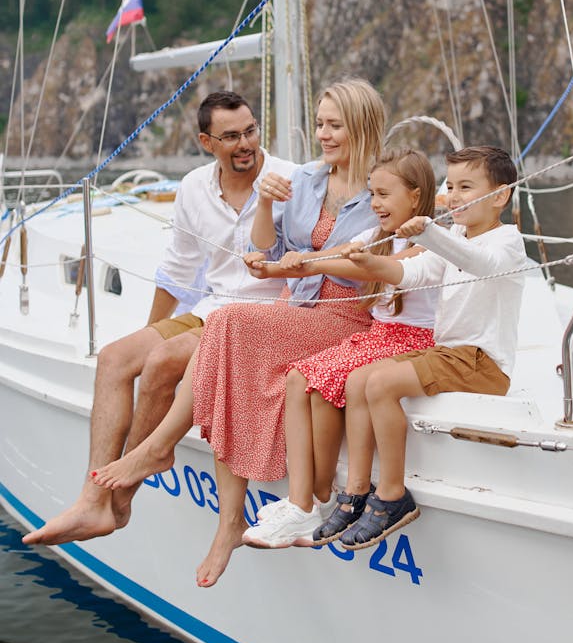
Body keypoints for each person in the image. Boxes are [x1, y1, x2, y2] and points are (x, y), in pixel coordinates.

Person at [91, 77, 386, 587]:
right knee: (229, 347)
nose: (324, 134)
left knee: (228, 323)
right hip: (300, 307)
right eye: (320, 123)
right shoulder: (310, 180)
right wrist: (269, 210)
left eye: (334, 125)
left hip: (347, 315)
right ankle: (227, 522)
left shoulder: (381, 186)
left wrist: (301, 264)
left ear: (361, 126)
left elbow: (373, 262)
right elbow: (267, 254)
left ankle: (162, 449)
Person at [23, 90, 296, 547]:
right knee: (115, 357)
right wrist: (148, 332)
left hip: (260, 316)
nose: (245, 143)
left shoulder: (289, 180)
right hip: (211, 306)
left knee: (163, 361)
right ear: (207, 142)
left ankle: (129, 482)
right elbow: (178, 269)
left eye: (250, 131)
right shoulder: (193, 187)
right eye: (231, 136)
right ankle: (94, 501)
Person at [333, 146, 527, 550]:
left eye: (466, 186)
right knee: (358, 381)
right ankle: (356, 488)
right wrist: (369, 261)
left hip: (482, 363)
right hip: (450, 354)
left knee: (381, 385)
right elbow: (413, 273)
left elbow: (480, 263)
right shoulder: (455, 236)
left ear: (500, 195)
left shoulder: (507, 242)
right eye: (451, 185)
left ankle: (391, 495)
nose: (454, 196)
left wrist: (428, 233)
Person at [244, 149, 437, 548]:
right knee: (299, 376)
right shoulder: (375, 237)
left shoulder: (428, 241)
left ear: (415, 197)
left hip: (412, 341)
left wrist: (315, 263)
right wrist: (271, 267)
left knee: (320, 377)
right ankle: (309, 499)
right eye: (372, 195)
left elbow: (362, 266)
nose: (375, 204)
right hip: (380, 336)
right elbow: (330, 255)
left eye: (384, 194)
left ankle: (322, 496)